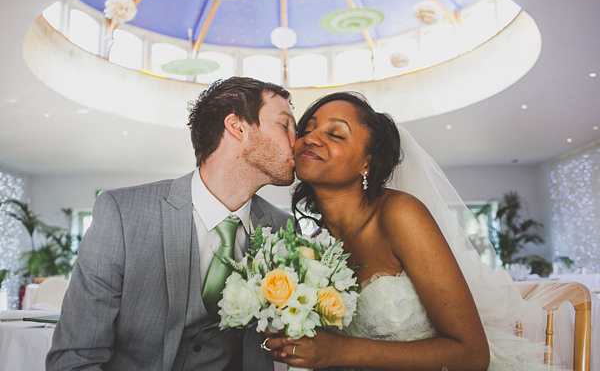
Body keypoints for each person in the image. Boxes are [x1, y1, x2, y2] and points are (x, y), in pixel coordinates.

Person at [264, 92, 571, 370]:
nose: (310, 139)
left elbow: (472, 355)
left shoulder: (399, 215)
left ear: (367, 163)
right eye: (307, 129)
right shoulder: (316, 248)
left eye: (335, 133)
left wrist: (339, 351)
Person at [46, 77, 297, 371]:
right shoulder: (122, 215)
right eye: (285, 125)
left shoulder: (282, 227)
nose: (299, 140)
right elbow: (75, 360)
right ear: (237, 126)